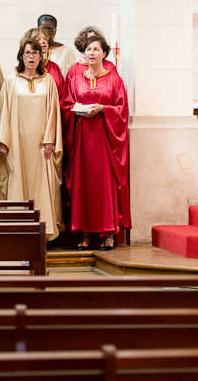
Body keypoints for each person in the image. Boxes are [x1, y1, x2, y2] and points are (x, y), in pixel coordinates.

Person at [61, 35, 130, 251]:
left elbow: (121, 110)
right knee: (84, 183)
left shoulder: (114, 80)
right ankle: (85, 232)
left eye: (96, 49)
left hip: (104, 138)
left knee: (103, 184)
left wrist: (103, 109)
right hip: (81, 137)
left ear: (104, 54)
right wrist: (77, 110)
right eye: (88, 49)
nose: (91, 53)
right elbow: (65, 105)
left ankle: (108, 232)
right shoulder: (75, 79)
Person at [0, 37, 63, 240]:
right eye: (27, 53)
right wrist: (4, 142)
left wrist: (50, 139)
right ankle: (18, 232)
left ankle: (42, 231)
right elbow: (3, 112)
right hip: (16, 144)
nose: (31, 57)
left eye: (35, 53)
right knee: (18, 183)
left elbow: (53, 113)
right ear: (21, 56)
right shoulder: (11, 82)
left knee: (40, 185)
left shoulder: (48, 81)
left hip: (41, 145)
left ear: (41, 56)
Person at [24, 26, 64, 96]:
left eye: (45, 39)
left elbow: (63, 92)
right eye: (38, 39)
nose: (43, 41)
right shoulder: (25, 68)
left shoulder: (54, 67)